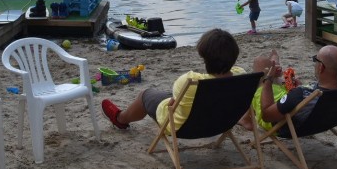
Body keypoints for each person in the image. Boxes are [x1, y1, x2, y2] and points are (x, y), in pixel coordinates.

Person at [100, 28, 245, 130]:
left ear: (204, 57)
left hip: (184, 126)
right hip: (222, 123)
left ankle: (120, 119)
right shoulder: (242, 76)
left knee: (145, 95)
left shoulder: (190, 80)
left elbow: (174, 101)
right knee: (182, 97)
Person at [247, 45, 337, 132]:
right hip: (315, 121)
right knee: (279, 78)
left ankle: (273, 68)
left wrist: (268, 79)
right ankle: (275, 66)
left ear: (321, 67)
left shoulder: (300, 94)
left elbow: (267, 116)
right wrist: (298, 87)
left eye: (315, 60)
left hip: (282, 125)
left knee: (259, 65)